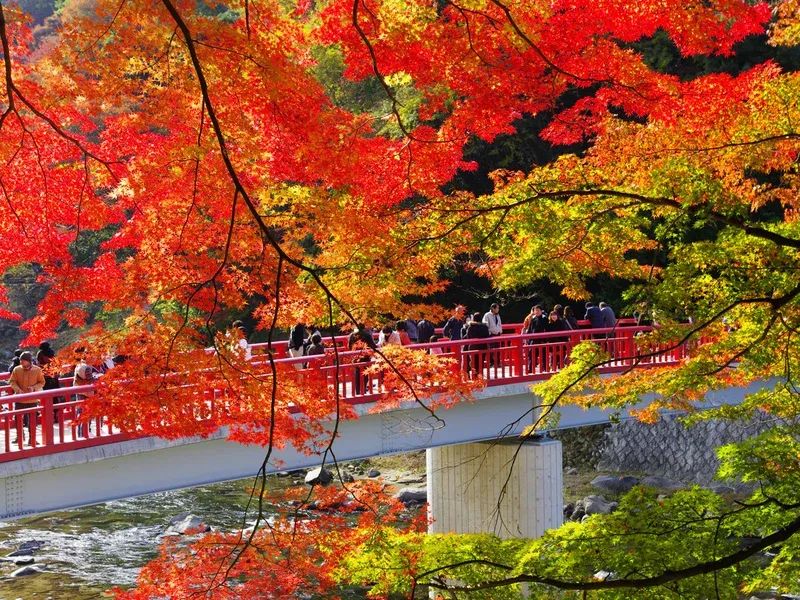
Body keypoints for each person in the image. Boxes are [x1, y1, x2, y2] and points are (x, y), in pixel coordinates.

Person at [9, 351, 45, 443]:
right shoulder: (17, 369)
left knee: (32, 421)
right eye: (21, 360)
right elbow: (12, 381)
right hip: (19, 398)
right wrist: (18, 390)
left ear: (29, 361)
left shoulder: (37, 370)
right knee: (18, 420)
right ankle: (20, 437)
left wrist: (33, 388)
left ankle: (32, 439)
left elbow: (42, 382)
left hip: (32, 399)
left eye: (23, 360)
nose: (21, 362)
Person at [73, 362, 95, 437]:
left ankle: (88, 429)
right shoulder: (79, 374)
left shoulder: (86, 369)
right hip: (81, 394)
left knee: (90, 412)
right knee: (81, 414)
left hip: (89, 393)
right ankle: (81, 433)